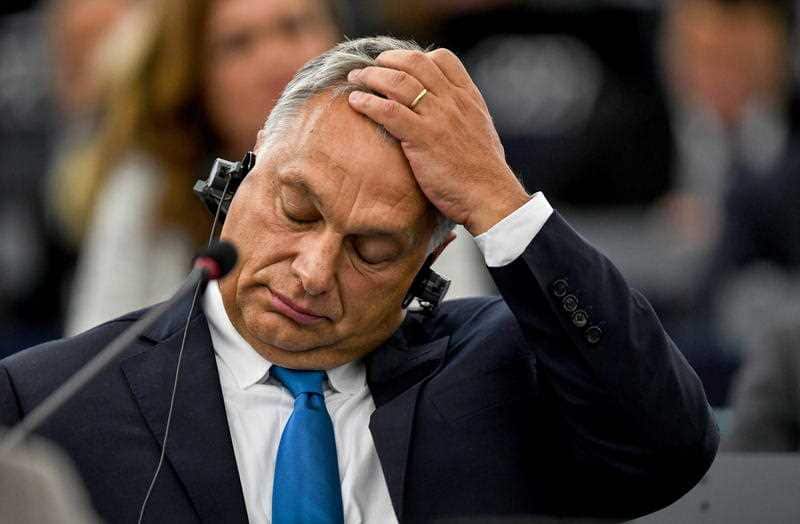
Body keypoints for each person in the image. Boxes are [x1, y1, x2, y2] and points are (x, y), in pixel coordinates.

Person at [1, 37, 717, 523]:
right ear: (237, 178)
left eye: (371, 250)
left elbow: (668, 445)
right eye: (297, 209)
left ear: (425, 267)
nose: (313, 274)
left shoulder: (504, 371)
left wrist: (500, 201)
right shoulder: (51, 399)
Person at [62, 0, 338, 334]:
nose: (275, 61)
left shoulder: (390, 167)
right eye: (238, 43)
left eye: (292, 27)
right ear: (195, 74)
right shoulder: (152, 187)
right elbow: (95, 344)